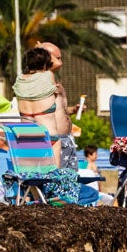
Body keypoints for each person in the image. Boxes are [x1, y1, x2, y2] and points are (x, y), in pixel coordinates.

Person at [38, 41, 81, 170]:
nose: (60, 60)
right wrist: (40, 51)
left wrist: (73, 110)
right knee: (59, 179)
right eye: (57, 57)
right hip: (56, 140)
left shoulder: (55, 81)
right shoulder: (42, 80)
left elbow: (58, 110)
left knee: (71, 179)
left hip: (67, 139)